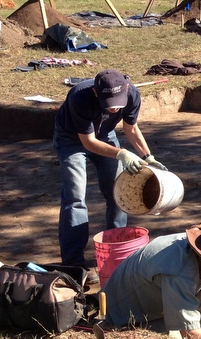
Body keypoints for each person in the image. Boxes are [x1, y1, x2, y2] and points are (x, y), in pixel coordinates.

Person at [53, 69, 166, 283]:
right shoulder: (79, 96)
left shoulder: (132, 94)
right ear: (96, 93)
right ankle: (74, 264)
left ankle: (116, 251)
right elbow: (87, 142)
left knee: (118, 192)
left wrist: (148, 157)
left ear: (125, 89)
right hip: (71, 139)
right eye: (109, 102)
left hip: (105, 134)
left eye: (118, 101)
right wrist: (121, 153)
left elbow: (131, 128)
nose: (114, 107)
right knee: (76, 197)